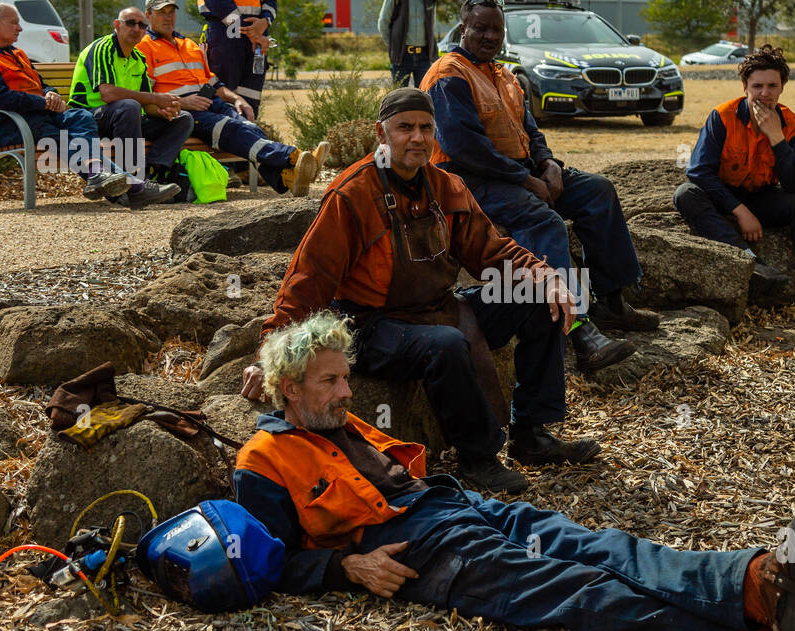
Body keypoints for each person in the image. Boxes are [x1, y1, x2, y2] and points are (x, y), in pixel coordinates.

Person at [234, 310, 795, 631]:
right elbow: (266, 562)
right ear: (290, 389)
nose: (345, 391)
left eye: (345, 378)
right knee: (569, 588)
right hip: (420, 551)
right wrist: (345, 570)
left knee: (601, 546)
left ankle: (753, 580)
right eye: (331, 382)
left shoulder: (332, 417)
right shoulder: (262, 460)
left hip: (453, 504)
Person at [239, 88, 600, 495]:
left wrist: (546, 276)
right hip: (371, 326)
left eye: (426, 128)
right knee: (445, 344)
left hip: (441, 307)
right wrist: (268, 353)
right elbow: (309, 278)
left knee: (537, 299)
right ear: (381, 133)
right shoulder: (352, 194)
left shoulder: (447, 187)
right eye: (404, 128)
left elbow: (491, 253)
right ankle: (478, 457)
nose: (417, 137)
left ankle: (531, 434)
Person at [422, 0, 656, 374]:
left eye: (496, 29)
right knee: (543, 221)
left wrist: (549, 165)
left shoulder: (504, 74)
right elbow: (463, 146)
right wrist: (524, 179)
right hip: (470, 182)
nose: (489, 35)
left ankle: (612, 302)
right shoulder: (449, 74)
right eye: (480, 28)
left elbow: (531, 129)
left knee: (598, 191)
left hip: (521, 172)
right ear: (463, 28)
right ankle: (578, 329)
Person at [673, 44, 795, 335]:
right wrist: (740, 212)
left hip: (761, 197)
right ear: (744, 87)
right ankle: (749, 262)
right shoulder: (722, 116)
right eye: (757, 86)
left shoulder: (792, 126)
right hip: (722, 198)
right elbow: (699, 172)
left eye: (772, 86)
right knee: (684, 194)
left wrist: (777, 138)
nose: (764, 93)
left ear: (782, 88)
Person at [136, 0, 323, 198]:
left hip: (211, 102)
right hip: (184, 113)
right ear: (148, 15)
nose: (168, 17)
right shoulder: (143, 48)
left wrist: (237, 99)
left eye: (171, 11)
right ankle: (292, 157)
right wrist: (185, 102)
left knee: (250, 127)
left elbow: (212, 81)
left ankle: (286, 178)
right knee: (231, 128)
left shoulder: (188, 44)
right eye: (162, 12)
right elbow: (146, 95)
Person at [0, 3, 129, 203]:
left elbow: (39, 83)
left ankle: (101, 177)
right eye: (15, 23)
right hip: (8, 124)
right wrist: (43, 103)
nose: (20, 28)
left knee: (81, 117)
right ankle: (130, 186)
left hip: (37, 116)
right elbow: (0, 98)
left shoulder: (16, 54)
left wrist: (51, 93)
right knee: (55, 134)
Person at [68, 7, 194, 209]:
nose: (137, 28)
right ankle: (130, 185)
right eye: (130, 23)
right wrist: (155, 97)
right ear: (117, 25)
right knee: (129, 106)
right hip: (90, 119)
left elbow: (147, 104)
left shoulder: (138, 58)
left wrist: (162, 109)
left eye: (142, 25)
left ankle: (154, 175)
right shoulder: (102, 48)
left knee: (183, 118)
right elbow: (107, 93)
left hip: (125, 118)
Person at [378, 0, 438, 87]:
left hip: (424, 56)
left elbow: (432, 25)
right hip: (402, 56)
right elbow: (383, 23)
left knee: (424, 96)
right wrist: (394, 45)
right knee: (400, 98)